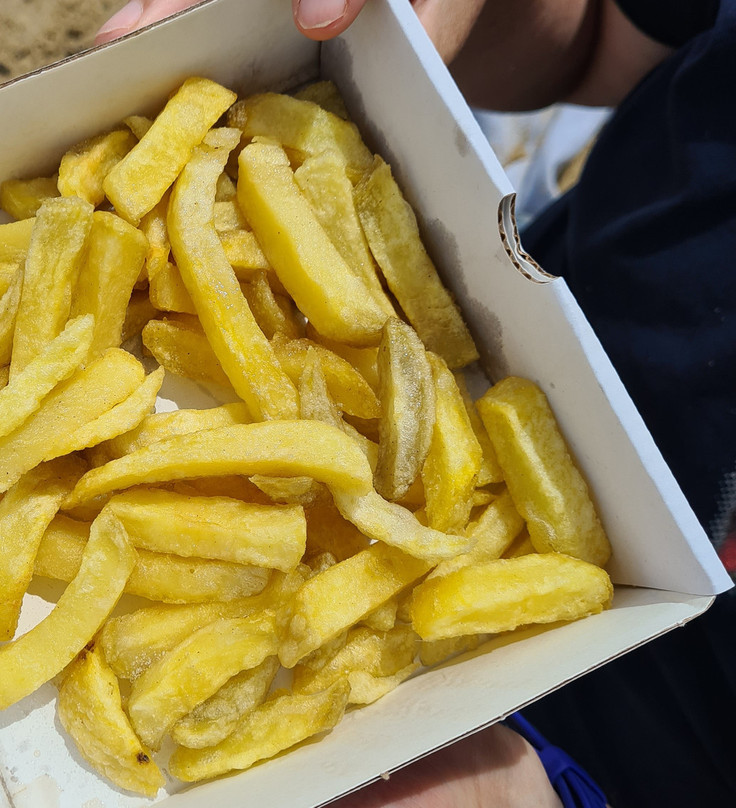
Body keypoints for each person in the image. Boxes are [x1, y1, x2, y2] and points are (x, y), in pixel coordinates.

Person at [96, 2, 736, 806]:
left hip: (608, 755)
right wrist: (451, 19)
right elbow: (600, 42)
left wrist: (556, 794)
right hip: (507, 311)